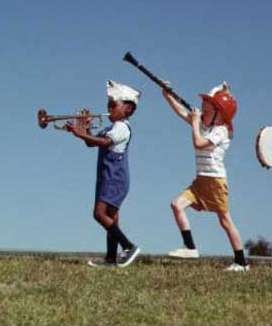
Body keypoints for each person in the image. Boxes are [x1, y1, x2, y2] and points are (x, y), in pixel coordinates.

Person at [157, 81, 248, 271]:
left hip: (215, 181)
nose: (203, 106)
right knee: (177, 204)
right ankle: (190, 247)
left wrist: (196, 122)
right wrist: (167, 95)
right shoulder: (204, 124)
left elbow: (198, 143)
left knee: (225, 220)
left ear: (219, 113)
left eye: (209, 104)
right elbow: (182, 112)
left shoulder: (221, 131)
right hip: (201, 179)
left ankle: (241, 262)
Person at [63, 81, 143, 267]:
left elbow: (105, 143)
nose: (109, 109)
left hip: (114, 177)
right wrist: (86, 129)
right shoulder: (111, 127)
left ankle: (128, 246)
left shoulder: (122, 127)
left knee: (99, 214)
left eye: (114, 105)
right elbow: (92, 143)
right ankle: (111, 259)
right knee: (111, 217)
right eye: (108, 105)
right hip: (109, 176)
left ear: (128, 109)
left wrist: (80, 133)